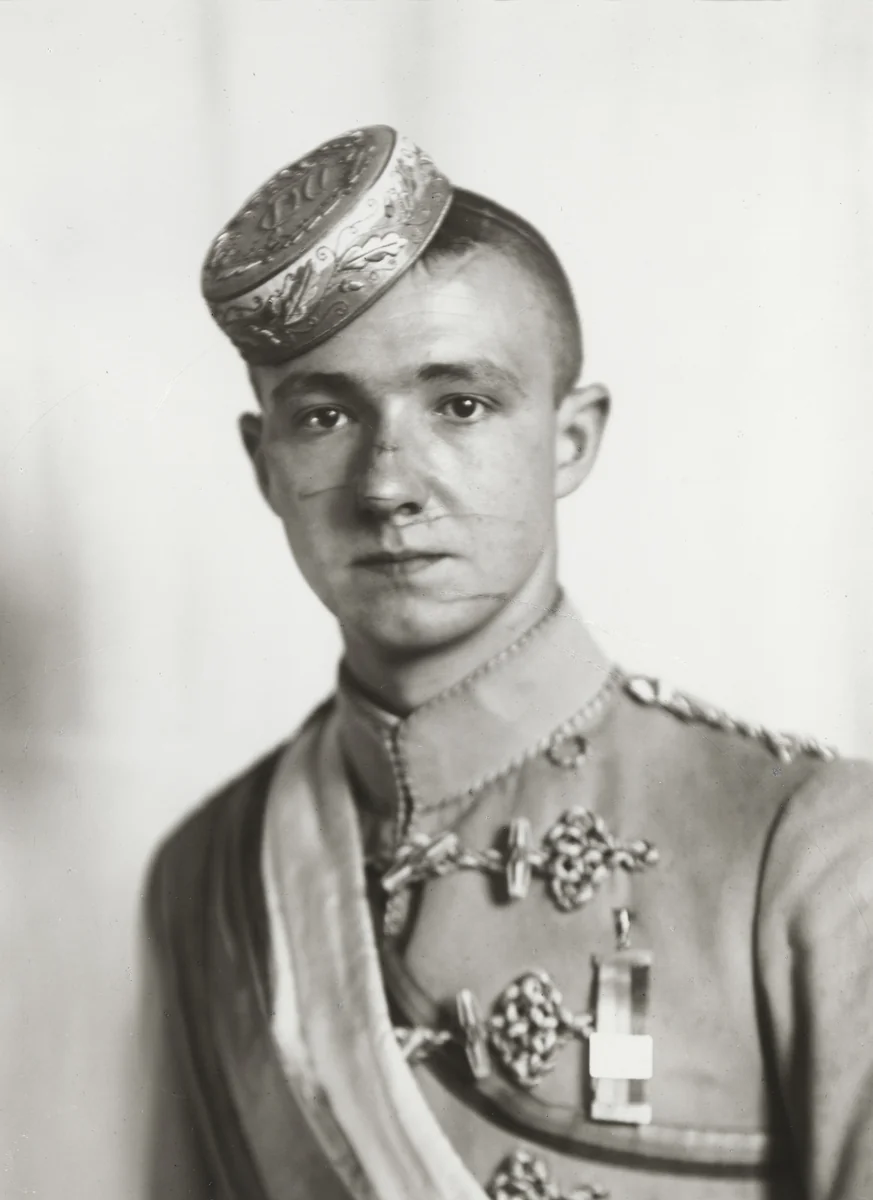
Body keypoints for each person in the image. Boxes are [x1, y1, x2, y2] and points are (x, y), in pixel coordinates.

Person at [143, 125, 873, 1200]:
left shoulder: (800, 844)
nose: (388, 482)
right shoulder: (208, 875)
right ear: (264, 464)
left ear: (571, 438)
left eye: (462, 405)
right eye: (326, 414)